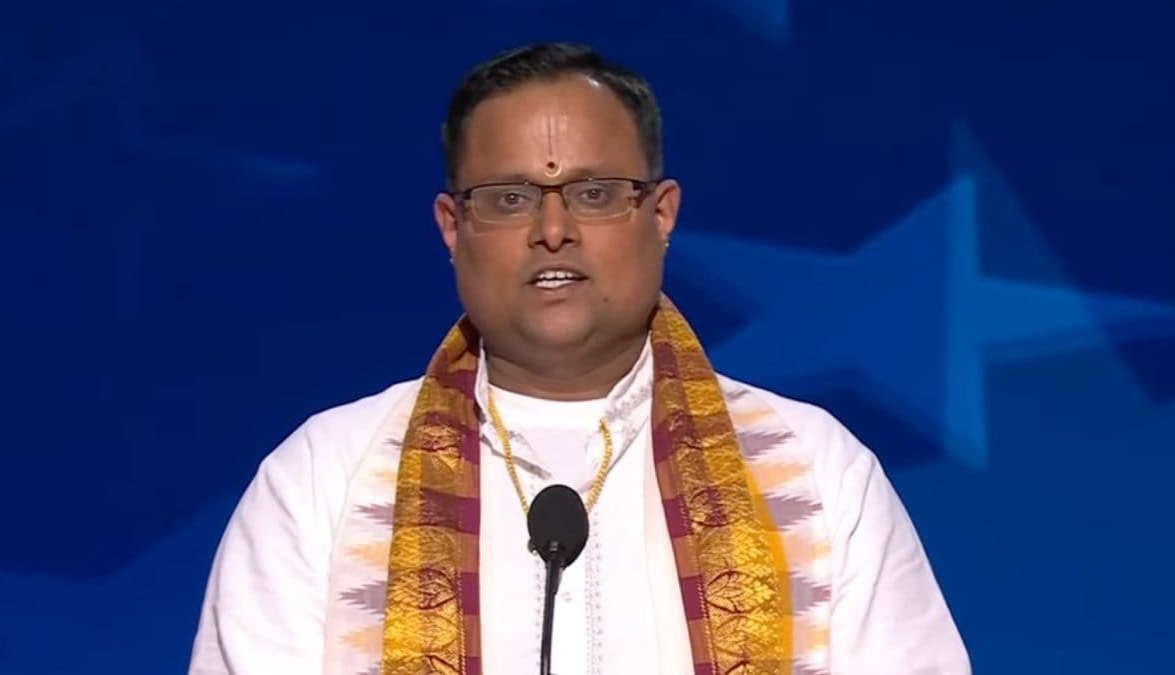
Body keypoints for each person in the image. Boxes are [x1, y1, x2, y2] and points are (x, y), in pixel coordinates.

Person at [187, 42, 970, 675]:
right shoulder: (323, 479)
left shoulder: (814, 469)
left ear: (660, 215)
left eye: (593, 193)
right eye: (508, 197)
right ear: (451, 227)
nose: (552, 229)